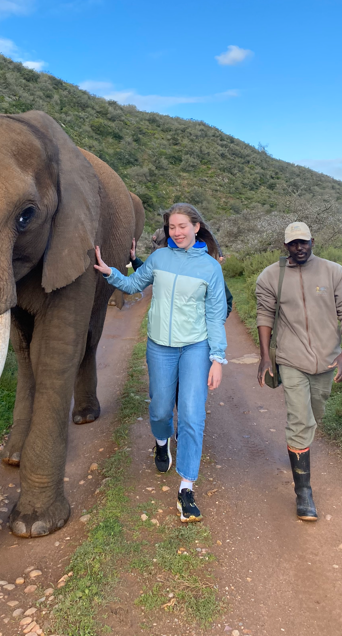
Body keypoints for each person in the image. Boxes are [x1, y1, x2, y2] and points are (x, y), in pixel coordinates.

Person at [95, 203, 228, 522]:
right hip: (160, 347)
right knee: (159, 408)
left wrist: (217, 358)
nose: (177, 232)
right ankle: (160, 442)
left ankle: (186, 488)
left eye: (183, 226)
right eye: (172, 227)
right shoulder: (158, 259)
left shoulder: (211, 268)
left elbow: (215, 315)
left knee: (193, 414)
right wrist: (110, 272)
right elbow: (133, 285)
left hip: (195, 347)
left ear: (197, 227)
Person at [255, 221, 342, 520]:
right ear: (285, 245)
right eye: (293, 243)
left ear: (313, 241)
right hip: (292, 359)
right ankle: (304, 493)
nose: (299, 247)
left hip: (327, 360)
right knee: (300, 420)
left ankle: (299, 447)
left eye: (304, 242)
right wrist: (265, 357)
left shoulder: (333, 271)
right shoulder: (271, 276)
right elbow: (264, 314)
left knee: (315, 413)